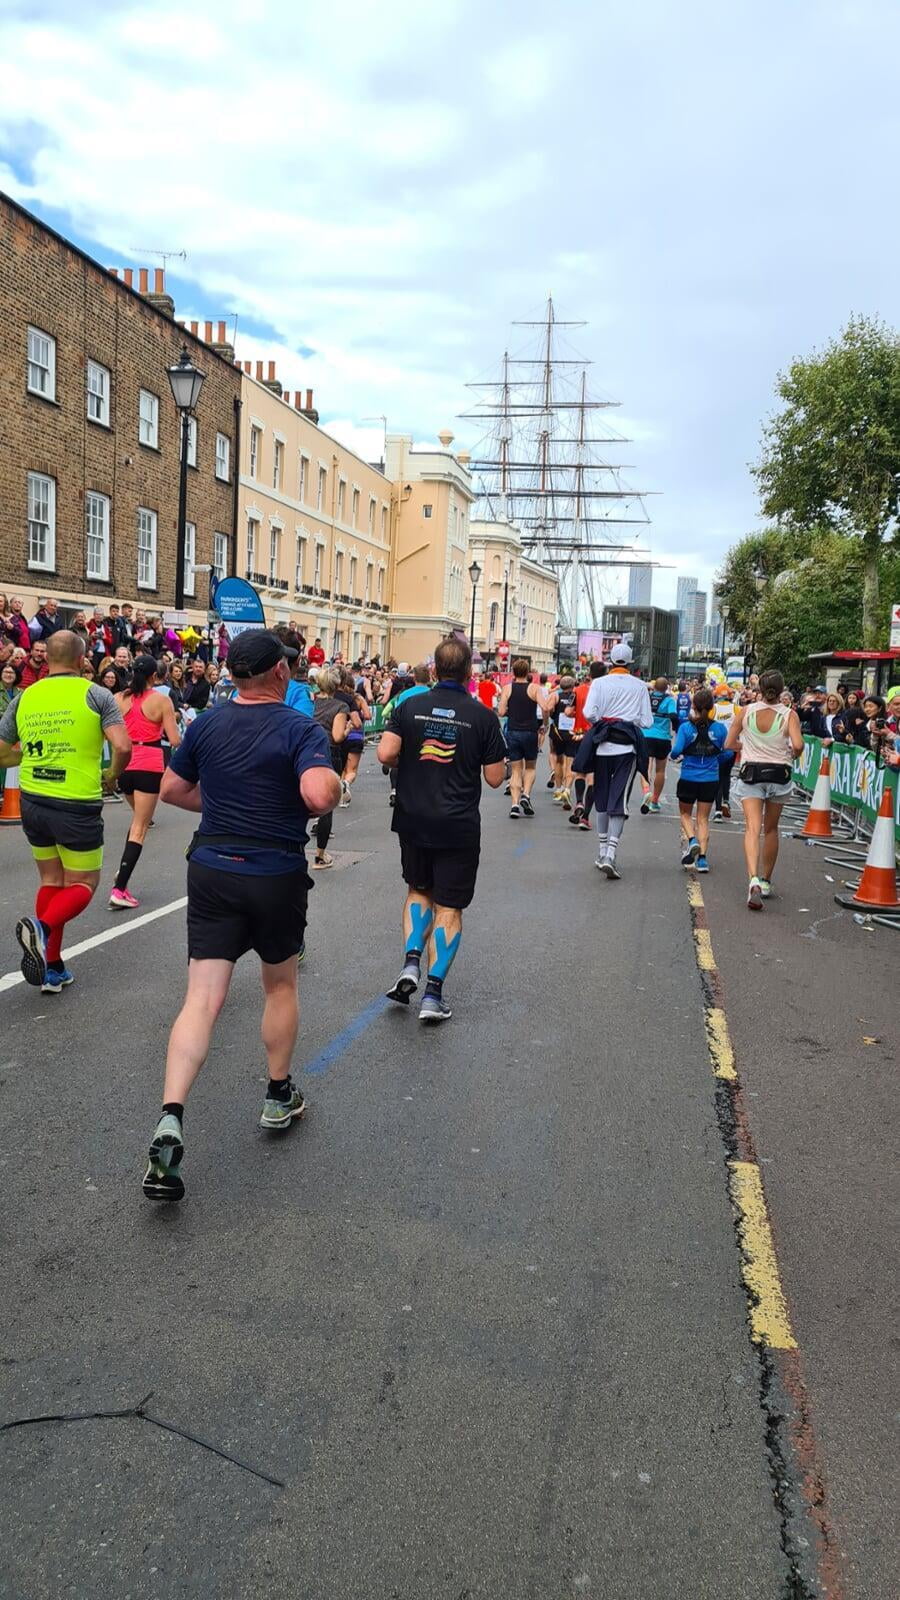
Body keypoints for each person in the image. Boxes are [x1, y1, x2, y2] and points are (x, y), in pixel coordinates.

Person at [142, 629, 339, 1202]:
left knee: (201, 998)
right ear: (280, 672)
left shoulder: (206, 724)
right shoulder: (301, 728)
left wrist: (225, 800)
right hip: (273, 871)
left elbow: (174, 788)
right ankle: (278, 1095)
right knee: (279, 985)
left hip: (212, 865)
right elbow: (319, 796)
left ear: (233, 675)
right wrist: (324, 780)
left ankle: (171, 1114)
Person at [378, 636, 506, 1022]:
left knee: (418, 889)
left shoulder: (410, 705)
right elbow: (497, 779)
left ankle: (411, 963)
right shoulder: (483, 716)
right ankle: (432, 996)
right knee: (449, 906)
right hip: (458, 823)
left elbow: (385, 753)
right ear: (470, 672)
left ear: (434, 669)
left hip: (413, 816)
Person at [0, 631, 131, 992]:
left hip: (33, 799)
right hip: (75, 802)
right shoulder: (96, 694)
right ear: (80, 659)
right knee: (83, 884)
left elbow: (1, 751)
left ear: (48, 659)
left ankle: (52, 968)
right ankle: (39, 929)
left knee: (51, 881)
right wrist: (111, 776)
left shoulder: (26, 696)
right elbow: (122, 746)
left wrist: (28, 756)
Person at [726, 669, 804, 910]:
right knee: (771, 829)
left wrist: (747, 745)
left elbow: (728, 744)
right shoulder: (789, 714)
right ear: (782, 690)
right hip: (779, 774)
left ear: (759, 688)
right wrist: (793, 752)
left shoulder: (746, 712)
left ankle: (753, 879)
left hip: (752, 773)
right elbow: (799, 745)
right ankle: (767, 880)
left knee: (752, 828)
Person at [109, 654, 182, 910]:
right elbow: (174, 740)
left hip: (124, 765)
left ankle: (122, 873)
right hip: (149, 764)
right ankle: (119, 888)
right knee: (140, 828)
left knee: (136, 821)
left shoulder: (118, 698)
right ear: (155, 676)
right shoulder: (162, 700)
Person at [577, 641, 652, 878]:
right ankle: (610, 853)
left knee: (602, 798)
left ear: (611, 662)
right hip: (626, 749)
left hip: (602, 747)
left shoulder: (598, 683)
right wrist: (627, 719)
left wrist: (605, 719)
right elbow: (647, 721)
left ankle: (601, 852)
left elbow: (589, 713)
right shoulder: (640, 686)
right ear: (630, 663)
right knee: (618, 801)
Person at [670, 688, 726, 872]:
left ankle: (692, 840)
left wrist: (676, 754)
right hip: (710, 778)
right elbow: (725, 752)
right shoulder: (719, 728)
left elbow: (676, 751)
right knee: (703, 818)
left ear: (693, 706)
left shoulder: (686, 727)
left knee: (685, 814)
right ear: (711, 707)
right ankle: (702, 859)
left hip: (689, 776)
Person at [498, 657, 548, 818]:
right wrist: (544, 724)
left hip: (513, 731)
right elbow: (545, 707)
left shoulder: (507, 688)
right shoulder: (534, 688)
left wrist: (509, 710)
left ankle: (514, 804)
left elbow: (500, 712)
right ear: (528, 672)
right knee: (531, 767)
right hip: (530, 732)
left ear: (513, 672)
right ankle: (526, 794)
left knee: (516, 770)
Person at [310, 667, 350, 866]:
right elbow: (337, 736)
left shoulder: (312, 702)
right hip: (329, 753)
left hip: (308, 751)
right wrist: (348, 729)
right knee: (327, 804)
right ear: (337, 685)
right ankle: (320, 854)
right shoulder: (340, 707)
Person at [640, 676, 678, 815]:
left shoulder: (647, 698)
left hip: (646, 735)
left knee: (645, 766)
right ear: (667, 688)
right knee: (660, 770)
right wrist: (675, 728)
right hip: (662, 738)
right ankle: (655, 801)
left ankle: (646, 791)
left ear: (654, 687)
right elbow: (674, 716)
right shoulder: (669, 700)